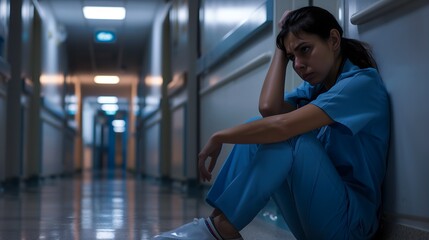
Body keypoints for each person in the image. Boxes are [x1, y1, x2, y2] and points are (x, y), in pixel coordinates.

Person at [154, 6, 390, 240]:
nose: (297, 64)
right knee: (259, 126)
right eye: (292, 57)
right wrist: (281, 48)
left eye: (305, 50)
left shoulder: (361, 85)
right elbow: (269, 109)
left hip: (352, 226)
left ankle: (220, 230)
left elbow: (281, 126)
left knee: (290, 136)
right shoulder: (317, 89)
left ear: (334, 40)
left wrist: (220, 136)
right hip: (319, 218)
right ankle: (219, 224)